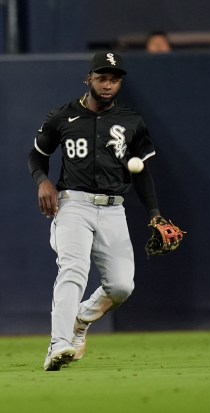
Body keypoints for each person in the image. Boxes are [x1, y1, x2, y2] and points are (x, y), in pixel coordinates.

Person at [28, 52, 164, 371]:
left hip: (114, 208)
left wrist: (154, 212)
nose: (108, 85)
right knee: (73, 269)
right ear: (88, 79)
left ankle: (80, 320)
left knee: (121, 286)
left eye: (114, 79)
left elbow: (141, 171)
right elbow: (37, 156)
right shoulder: (62, 116)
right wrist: (42, 181)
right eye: (102, 78)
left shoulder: (132, 121)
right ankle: (58, 343)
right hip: (73, 203)